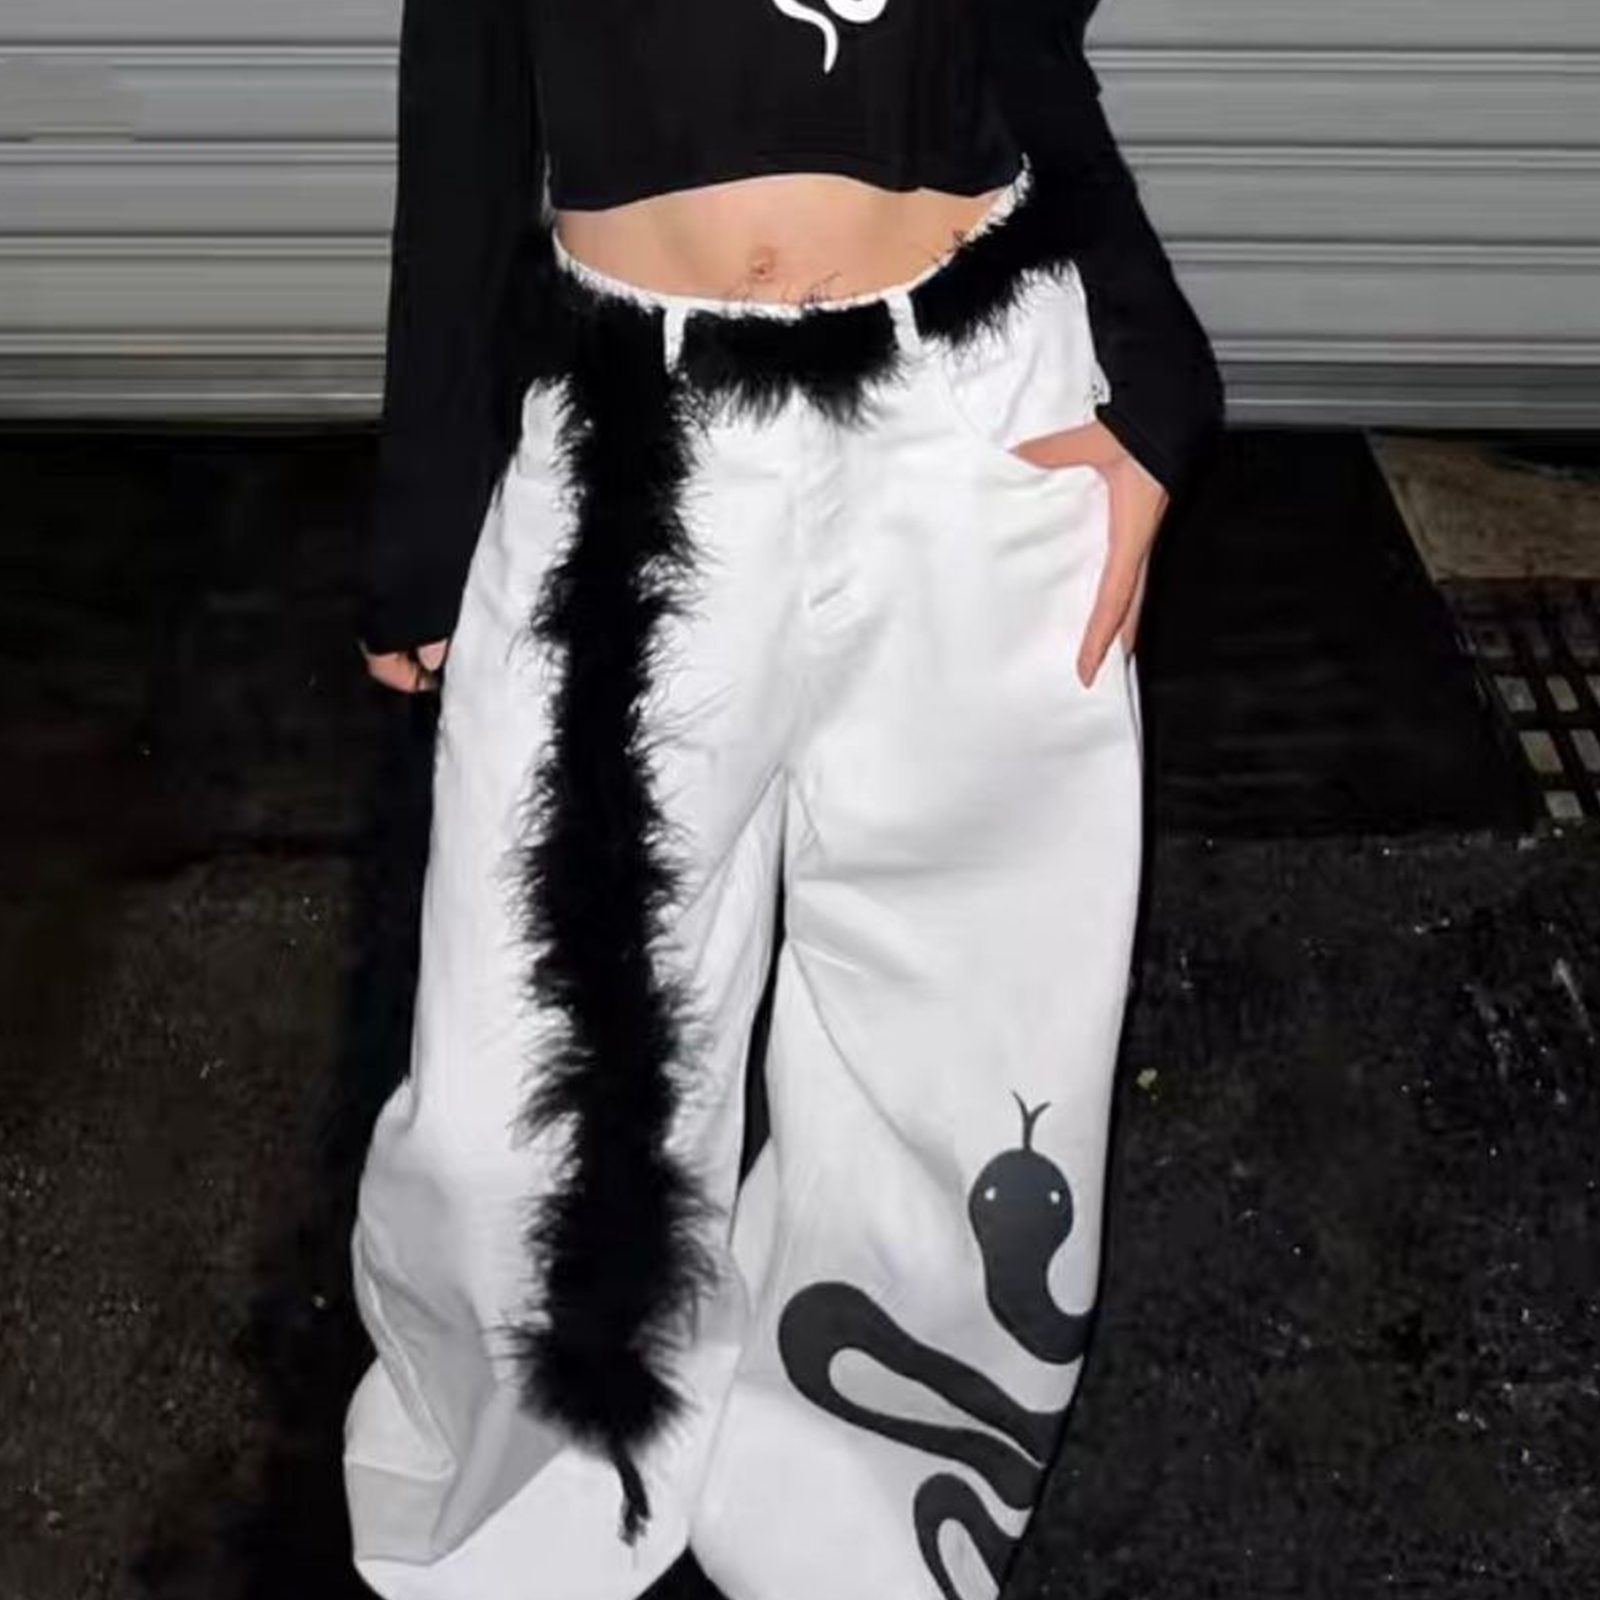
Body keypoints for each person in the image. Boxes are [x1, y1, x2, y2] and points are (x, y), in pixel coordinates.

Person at [345, 0, 1223, 1591]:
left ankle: (860, 1534)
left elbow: (1028, 33)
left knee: (962, 1060)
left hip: (979, 421)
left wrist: (1154, 367)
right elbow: (466, 85)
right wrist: (427, 502)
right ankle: (519, 1542)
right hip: (631, 428)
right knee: (513, 1103)